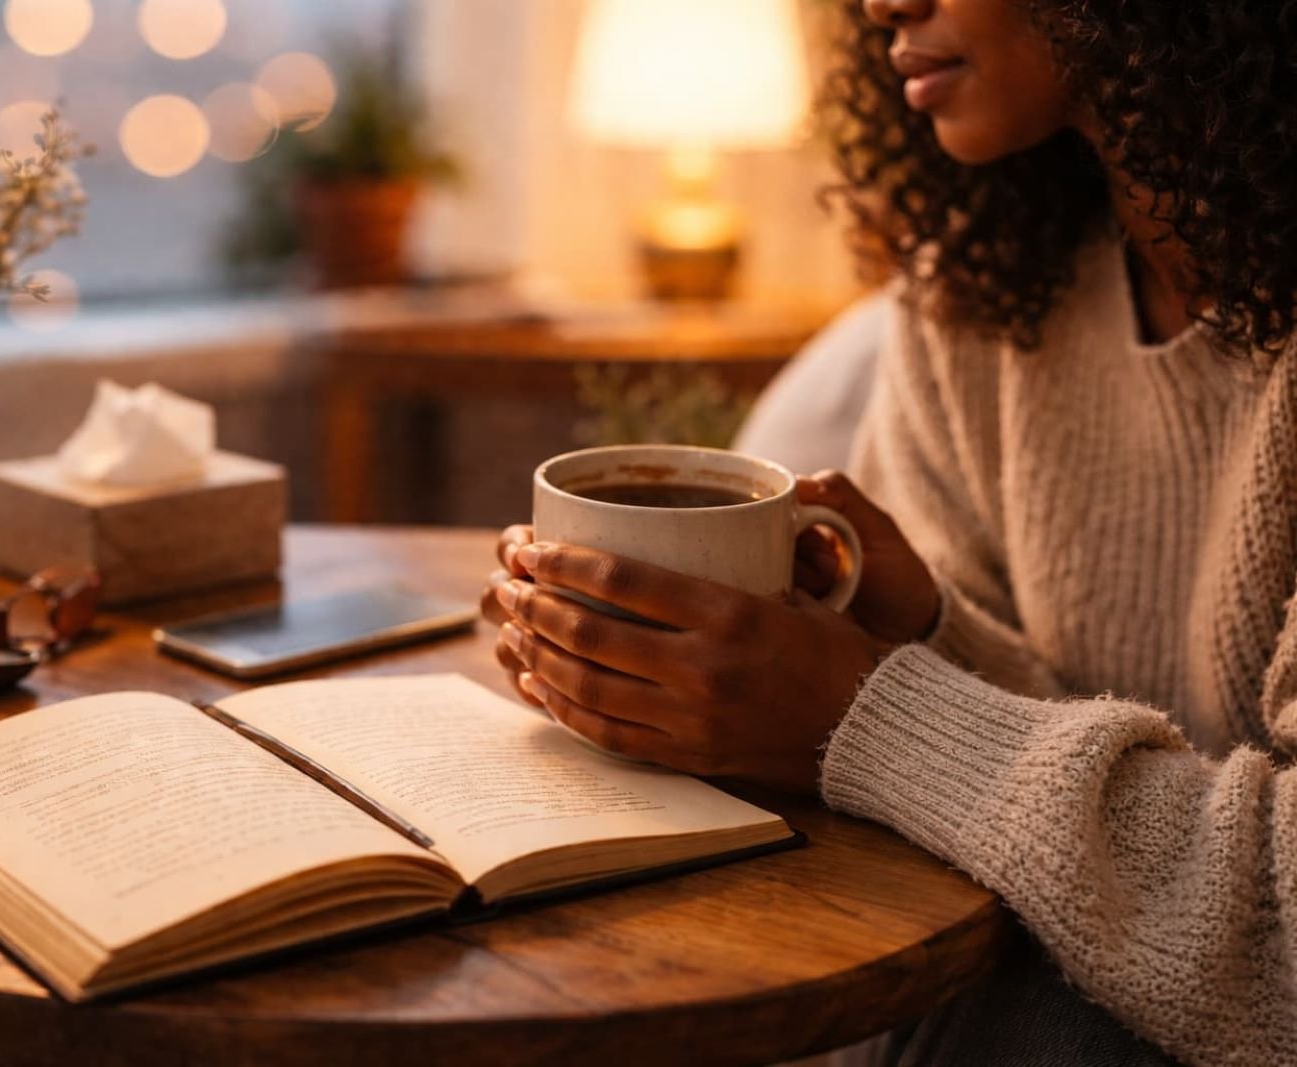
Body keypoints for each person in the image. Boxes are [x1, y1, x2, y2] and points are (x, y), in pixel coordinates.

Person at [481, 0, 1297, 1062]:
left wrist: (863, 709)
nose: (879, 5)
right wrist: (917, 635)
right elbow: (1052, 743)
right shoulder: (973, 295)